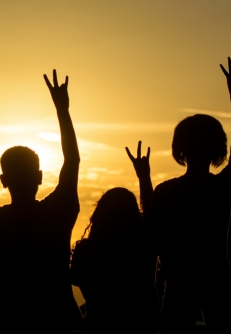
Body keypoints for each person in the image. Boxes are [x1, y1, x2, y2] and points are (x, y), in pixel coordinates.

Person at [0, 70, 81, 331]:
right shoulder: (58, 212)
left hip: (6, 327)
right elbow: (72, 161)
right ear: (40, 177)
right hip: (59, 326)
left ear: (3, 180)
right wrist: (62, 110)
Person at [154, 58, 231, 332]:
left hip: (178, 285)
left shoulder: (166, 191)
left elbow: (156, 240)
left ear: (179, 149)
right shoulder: (219, 189)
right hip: (217, 281)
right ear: (218, 149)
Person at [70, 141, 160, 332]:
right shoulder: (143, 244)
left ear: (99, 214)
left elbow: (75, 279)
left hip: (98, 326)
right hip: (143, 325)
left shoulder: (85, 250)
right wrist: (144, 177)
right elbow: (151, 213)